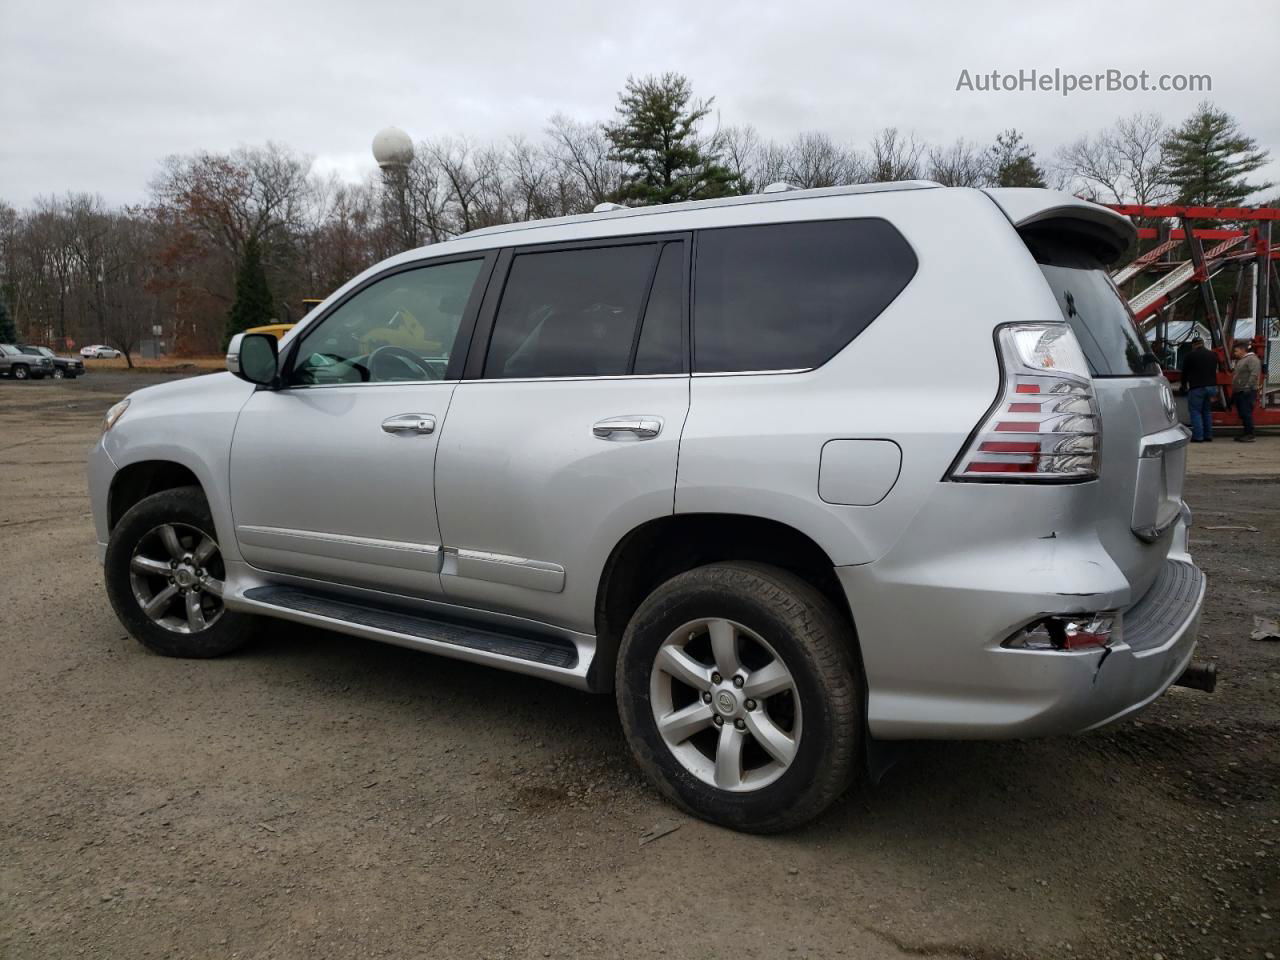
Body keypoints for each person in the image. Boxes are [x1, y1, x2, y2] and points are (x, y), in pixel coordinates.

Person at [1181, 337, 1219, 443]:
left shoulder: (1190, 356)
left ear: (1193, 345)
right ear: (1203, 344)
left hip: (1197, 387)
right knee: (1206, 411)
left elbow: (1184, 373)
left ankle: (1198, 436)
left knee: (1195, 412)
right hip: (1211, 387)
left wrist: (1183, 385)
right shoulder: (1213, 355)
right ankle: (1208, 435)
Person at [1231, 341, 1262, 443]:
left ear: (1243, 350)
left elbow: (1254, 374)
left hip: (1247, 391)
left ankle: (1250, 434)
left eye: (1236, 351)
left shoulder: (1252, 359)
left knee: (1246, 413)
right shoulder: (1242, 360)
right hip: (1240, 391)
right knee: (1243, 413)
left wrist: (1248, 387)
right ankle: (1246, 433)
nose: (1235, 353)